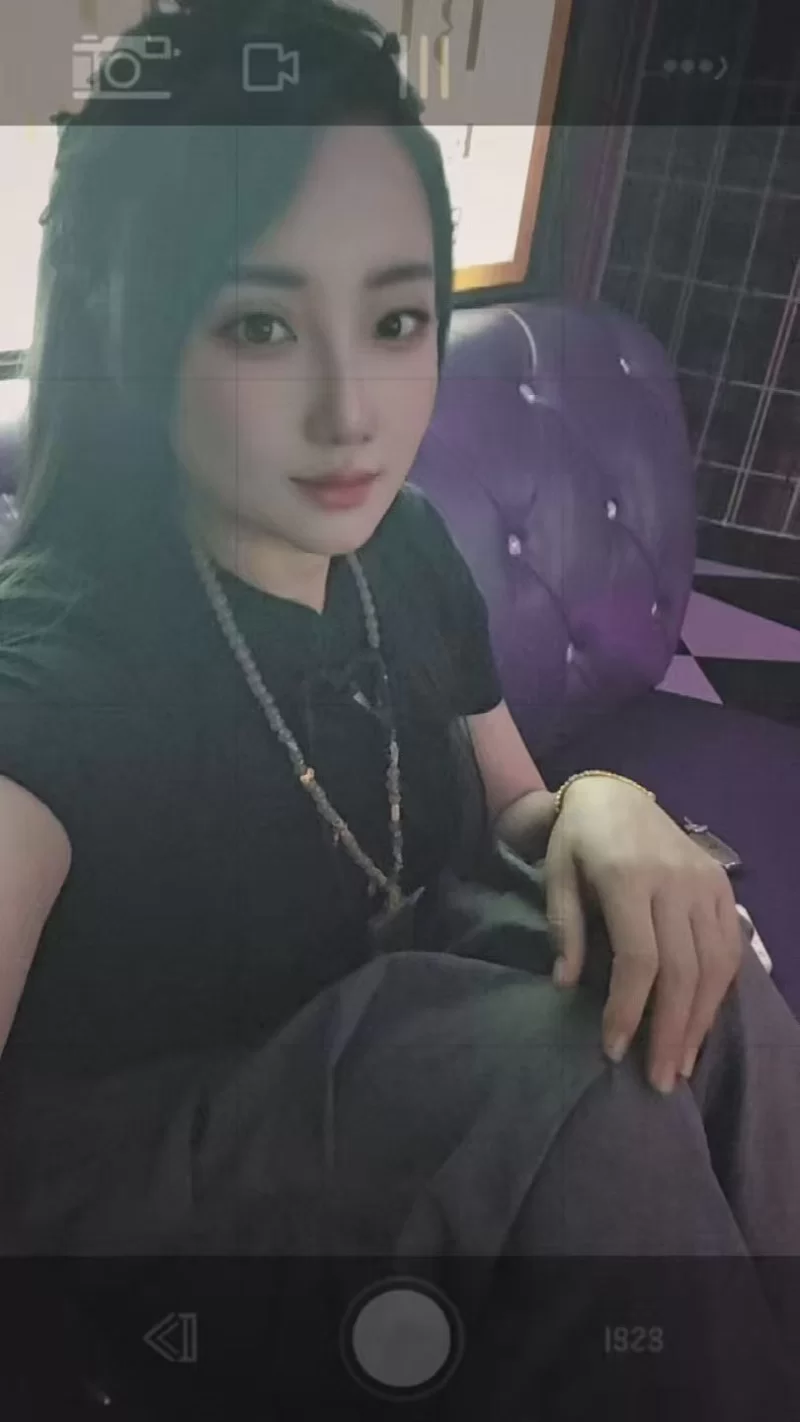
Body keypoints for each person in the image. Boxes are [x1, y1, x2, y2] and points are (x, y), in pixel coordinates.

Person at [0, 1, 798, 1417]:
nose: (351, 408)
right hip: (143, 1210)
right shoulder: (59, 663)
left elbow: (518, 809)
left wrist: (614, 808)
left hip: (410, 1081)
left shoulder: (400, 549)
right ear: (137, 328)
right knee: (574, 1099)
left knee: (690, 957)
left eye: (394, 320)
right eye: (260, 324)